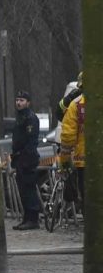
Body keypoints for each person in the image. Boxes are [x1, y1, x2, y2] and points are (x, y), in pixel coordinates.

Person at [11, 90, 42, 230]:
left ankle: (33, 218)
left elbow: (30, 141)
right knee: (23, 190)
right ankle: (27, 218)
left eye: (22, 100)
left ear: (28, 103)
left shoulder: (30, 118)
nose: (18, 102)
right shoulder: (20, 117)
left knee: (29, 189)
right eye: (17, 100)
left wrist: (24, 159)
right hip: (20, 158)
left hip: (27, 158)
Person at [59, 77, 86, 215]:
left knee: (88, 198)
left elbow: (68, 137)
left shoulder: (76, 105)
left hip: (84, 161)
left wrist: (64, 161)